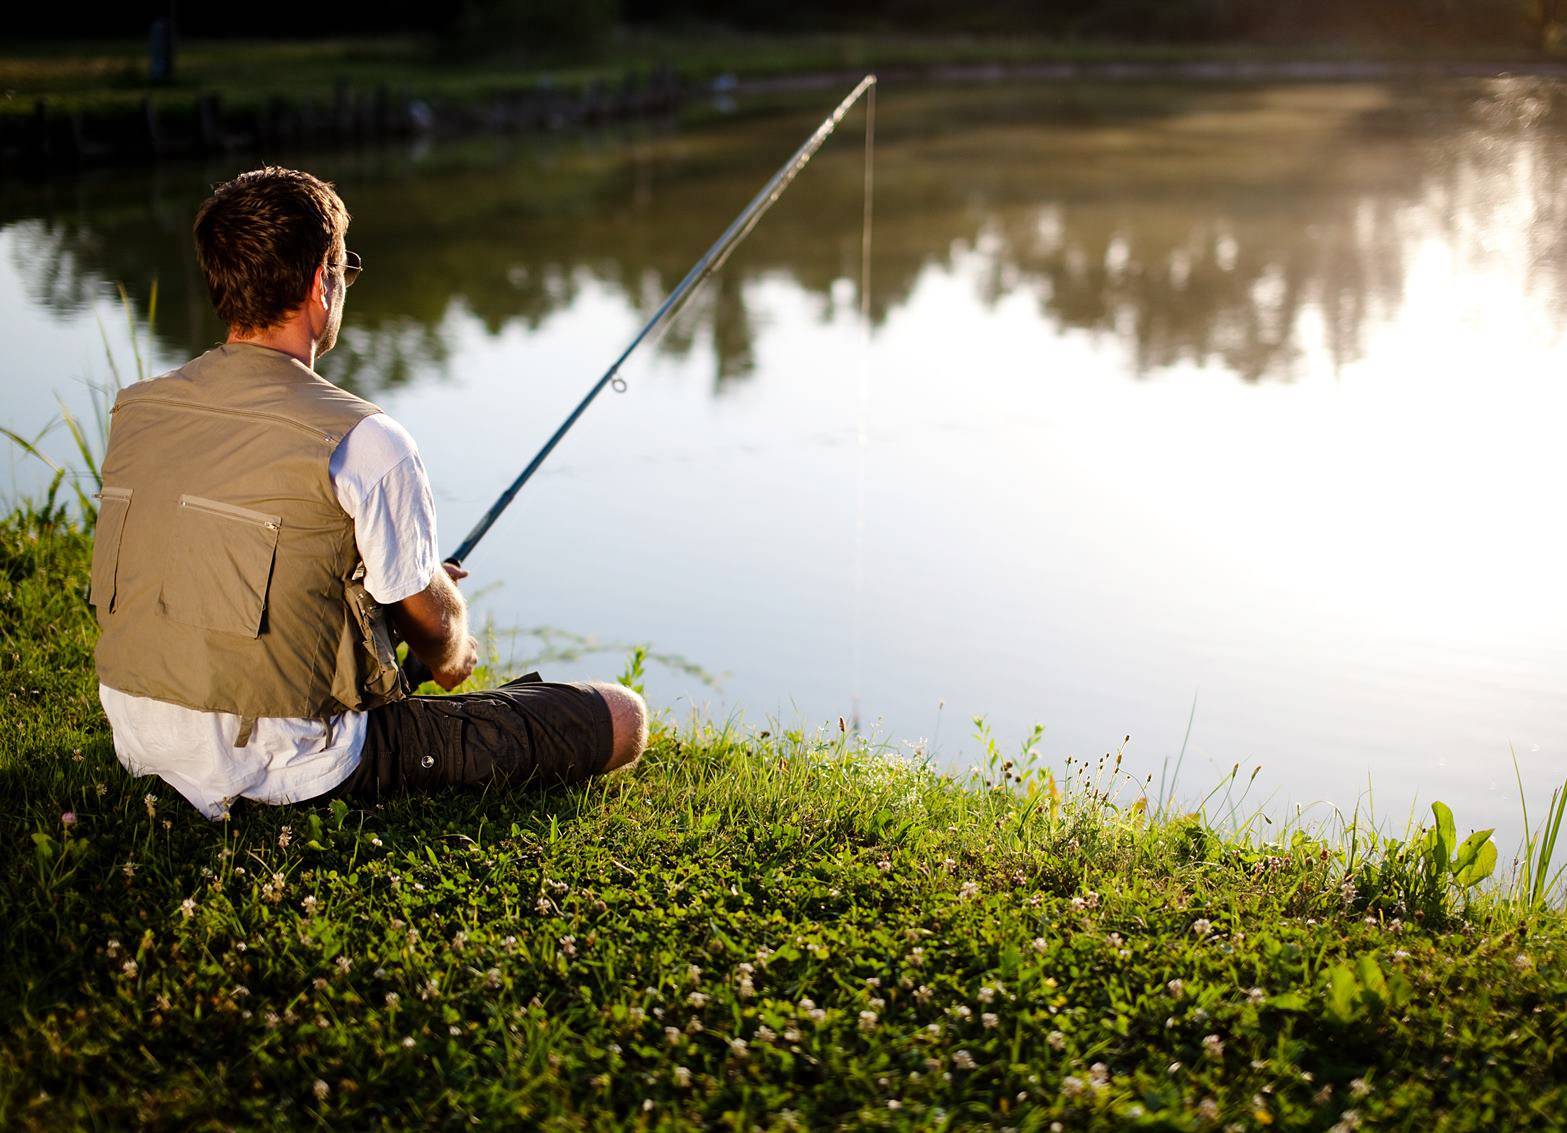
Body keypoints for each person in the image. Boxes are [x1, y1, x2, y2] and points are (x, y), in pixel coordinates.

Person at [88, 166, 646, 819]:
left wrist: (411, 586)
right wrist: (454, 645)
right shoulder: (365, 439)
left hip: (140, 743)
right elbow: (435, 630)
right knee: (620, 717)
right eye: (342, 271)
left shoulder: (140, 409)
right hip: (288, 771)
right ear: (319, 286)